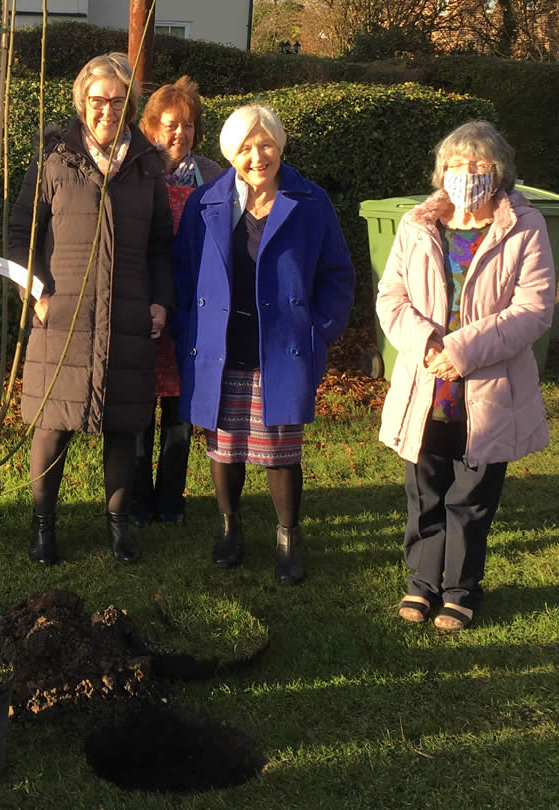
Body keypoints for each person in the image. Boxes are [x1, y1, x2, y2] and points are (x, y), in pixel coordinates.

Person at [377, 120, 554, 631]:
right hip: (425, 385)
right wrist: (428, 344)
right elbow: (392, 298)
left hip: (487, 392)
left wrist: (460, 351)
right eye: (456, 165)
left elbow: (534, 309)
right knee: (425, 490)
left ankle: (460, 590)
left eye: (478, 166)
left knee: (471, 498)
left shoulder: (525, 226)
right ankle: (421, 584)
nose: (466, 175)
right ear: (441, 173)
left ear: (498, 173)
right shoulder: (417, 225)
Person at [173, 104, 354, 584]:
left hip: (282, 348)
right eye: (246, 147)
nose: (258, 156)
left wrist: (320, 330)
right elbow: (183, 273)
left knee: (281, 449)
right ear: (230, 152)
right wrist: (188, 327)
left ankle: (288, 537)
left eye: (267, 144)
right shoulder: (205, 202)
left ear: (280, 146)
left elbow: (337, 275)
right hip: (220, 346)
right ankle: (229, 529)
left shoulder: (310, 202)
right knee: (224, 447)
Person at [9, 52, 174, 566]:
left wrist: (159, 301)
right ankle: (43, 528)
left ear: (129, 106)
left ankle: (119, 528)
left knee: (123, 425)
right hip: (61, 315)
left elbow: (161, 247)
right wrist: (33, 291)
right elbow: (20, 233)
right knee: (52, 424)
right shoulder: (54, 158)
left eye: (118, 100)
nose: (107, 109)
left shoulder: (147, 165)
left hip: (126, 315)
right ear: (83, 101)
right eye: (98, 99)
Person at [132, 76, 222, 527]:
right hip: (145, 302)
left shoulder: (216, 176)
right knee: (139, 405)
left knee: (179, 409)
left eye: (187, 125)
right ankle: (137, 500)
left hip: (192, 308)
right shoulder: (135, 171)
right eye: (170, 124)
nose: (179, 134)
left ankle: (171, 498)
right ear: (150, 128)